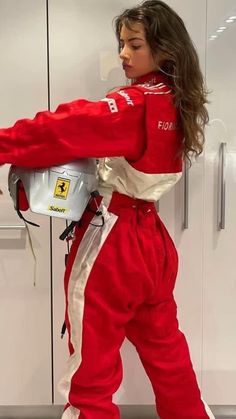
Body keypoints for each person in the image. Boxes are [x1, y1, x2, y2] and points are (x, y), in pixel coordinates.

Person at [0, 1, 214, 418]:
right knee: (168, 356)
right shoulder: (177, 99)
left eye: (135, 45)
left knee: (91, 366)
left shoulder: (135, 104)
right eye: (122, 44)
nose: (123, 54)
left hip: (113, 244)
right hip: (154, 245)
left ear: (165, 49)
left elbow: (62, 128)